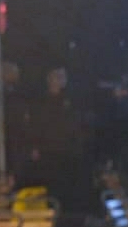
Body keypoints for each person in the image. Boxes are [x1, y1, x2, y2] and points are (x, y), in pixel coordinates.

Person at [26, 67, 85, 213]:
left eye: (63, 77)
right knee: (51, 184)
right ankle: (51, 212)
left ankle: (66, 213)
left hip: (67, 150)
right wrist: (35, 146)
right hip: (48, 150)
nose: (61, 80)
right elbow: (35, 124)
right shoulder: (41, 102)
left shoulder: (70, 100)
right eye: (58, 76)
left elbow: (76, 123)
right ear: (49, 79)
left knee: (67, 184)